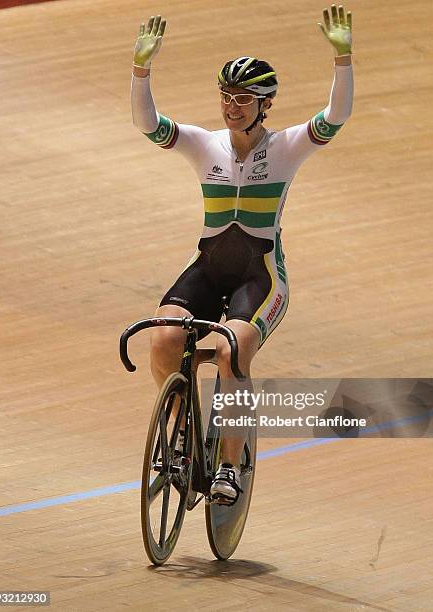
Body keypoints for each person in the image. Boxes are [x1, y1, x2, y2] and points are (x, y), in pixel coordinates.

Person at [131, 5, 354, 503]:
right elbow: (148, 124)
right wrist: (141, 70)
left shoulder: (286, 148)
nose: (232, 106)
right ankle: (178, 438)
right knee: (163, 336)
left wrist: (343, 59)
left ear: (265, 103)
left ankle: (229, 467)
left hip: (261, 277)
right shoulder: (203, 145)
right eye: (227, 96)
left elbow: (335, 117)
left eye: (244, 98)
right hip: (208, 267)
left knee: (232, 351)